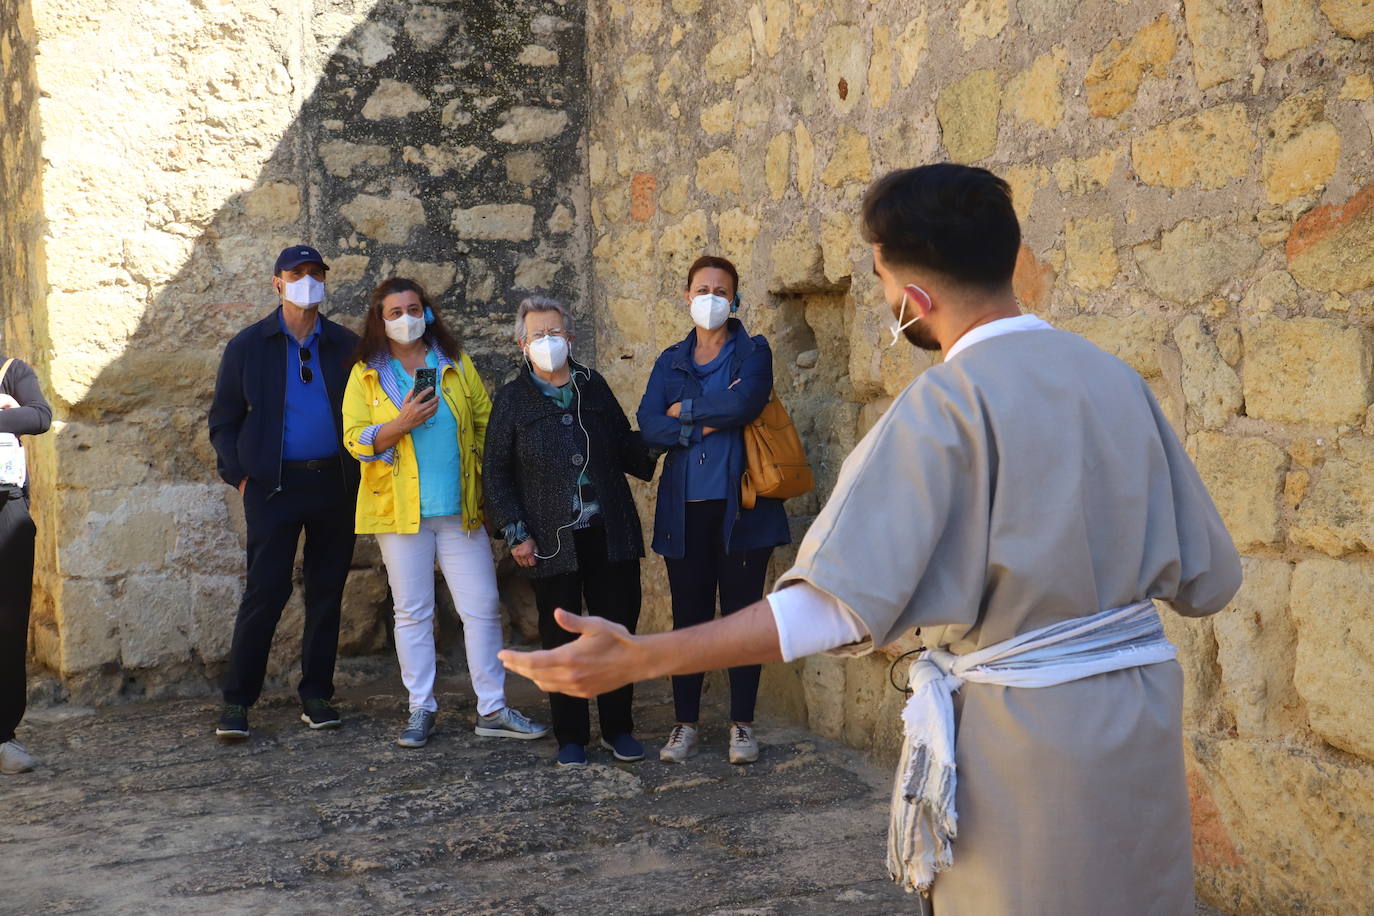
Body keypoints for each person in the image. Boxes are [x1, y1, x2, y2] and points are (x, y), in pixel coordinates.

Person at [500, 163, 1242, 916]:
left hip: (1029, 756)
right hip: (1142, 737)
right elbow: (1214, 580)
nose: (890, 305)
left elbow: (832, 608)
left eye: (885, 286)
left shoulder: (945, 405)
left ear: (914, 299)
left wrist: (642, 657)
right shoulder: (1118, 381)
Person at [343, 278, 548, 748]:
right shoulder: (366, 373)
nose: (405, 318)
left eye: (413, 308)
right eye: (394, 312)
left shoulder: (453, 363)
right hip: (400, 512)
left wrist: (496, 491)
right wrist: (400, 424)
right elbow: (354, 439)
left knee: (481, 609)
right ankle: (420, 708)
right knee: (412, 612)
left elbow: (485, 424)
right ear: (380, 319)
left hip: (461, 509)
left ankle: (492, 708)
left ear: (427, 312)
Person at [482, 297, 657, 767]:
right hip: (551, 539)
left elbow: (623, 442)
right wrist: (517, 532)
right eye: (537, 334)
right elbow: (496, 473)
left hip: (609, 529)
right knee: (560, 637)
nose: (547, 341)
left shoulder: (592, 386)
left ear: (570, 337)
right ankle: (572, 736)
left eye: (554, 332)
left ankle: (618, 728)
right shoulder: (513, 399)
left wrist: (660, 433)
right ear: (522, 344)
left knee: (617, 630)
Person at [635, 255, 791, 766]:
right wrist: (698, 423)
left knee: (744, 619)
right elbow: (649, 423)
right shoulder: (670, 360)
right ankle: (685, 725)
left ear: (735, 299)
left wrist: (688, 415)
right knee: (690, 619)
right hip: (685, 511)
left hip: (742, 508)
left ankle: (742, 725)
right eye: (702, 289)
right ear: (686, 297)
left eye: (721, 291)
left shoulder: (753, 352)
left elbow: (746, 403)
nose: (711, 299)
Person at [208, 245, 360, 740]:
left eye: (316, 273)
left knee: (326, 592)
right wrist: (240, 475)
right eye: (297, 273)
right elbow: (224, 420)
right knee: (265, 591)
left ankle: (317, 693)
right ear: (278, 283)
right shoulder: (249, 345)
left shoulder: (345, 346)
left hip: (334, 484)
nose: (308, 281)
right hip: (272, 488)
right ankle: (238, 701)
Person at [0, 355, 52, 774]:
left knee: (9, 625)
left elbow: (38, 417)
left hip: (6, 510)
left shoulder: (10, 371)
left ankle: (4, 737)